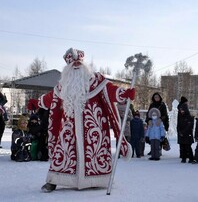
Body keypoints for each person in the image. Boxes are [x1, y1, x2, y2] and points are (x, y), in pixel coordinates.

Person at [29, 48, 135, 192]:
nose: (76, 65)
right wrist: (37, 102)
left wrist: (124, 93)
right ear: (67, 67)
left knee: (96, 155)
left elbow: (111, 91)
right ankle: (53, 181)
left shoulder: (97, 81)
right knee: (63, 155)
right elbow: (50, 99)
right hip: (69, 131)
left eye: (79, 63)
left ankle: (98, 180)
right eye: (73, 64)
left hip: (94, 130)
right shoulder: (63, 85)